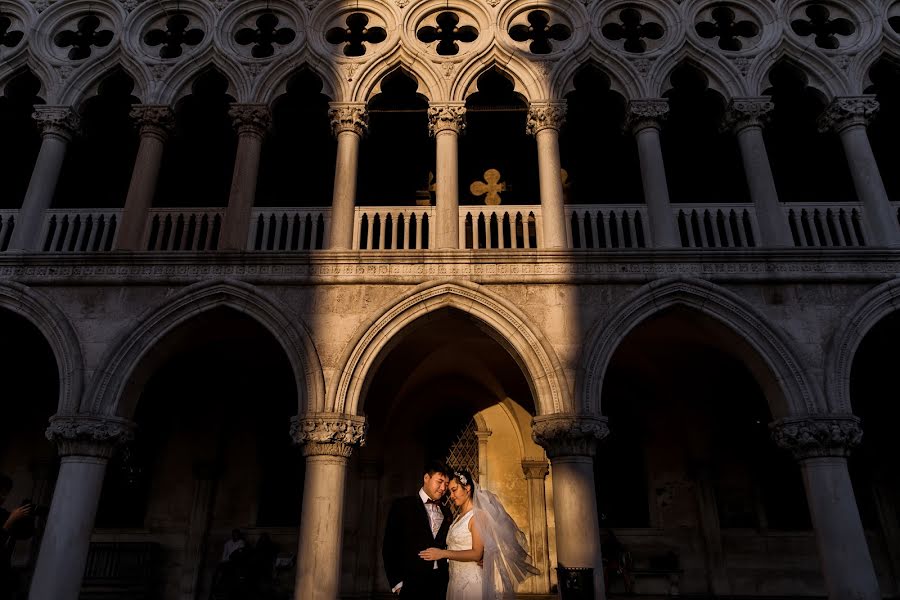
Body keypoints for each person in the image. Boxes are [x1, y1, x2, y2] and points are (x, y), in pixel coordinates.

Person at [419, 469, 539, 600]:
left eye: (454, 490)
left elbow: (476, 553)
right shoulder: (457, 517)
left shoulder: (478, 516)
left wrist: (442, 553)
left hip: (471, 584)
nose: (451, 496)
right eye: (450, 492)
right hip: (454, 581)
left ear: (468, 488)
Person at [382, 460, 452, 599]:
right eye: (439, 481)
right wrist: (398, 584)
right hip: (411, 585)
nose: (443, 488)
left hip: (441, 584)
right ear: (426, 478)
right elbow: (390, 546)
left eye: (446, 484)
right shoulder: (402, 506)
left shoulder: (447, 512)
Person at [0, 475, 34, 600]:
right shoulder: (8, 517)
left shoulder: (3, 514)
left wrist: (27, 517)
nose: (3, 498)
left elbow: (26, 534)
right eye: (0, 493)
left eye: (5, 494)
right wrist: (9, 522)